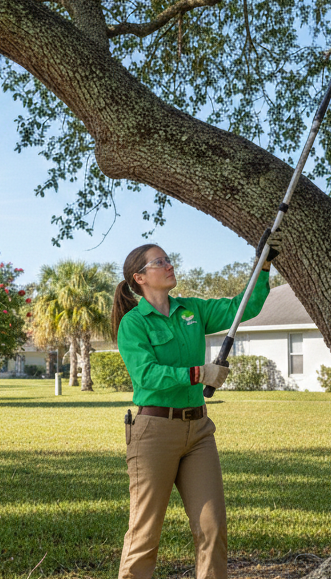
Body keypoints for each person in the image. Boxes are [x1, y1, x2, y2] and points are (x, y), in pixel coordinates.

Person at [112, 233, 282, 579]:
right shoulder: (134, 323)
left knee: (212, 527)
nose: (168, 264)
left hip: (199, 431)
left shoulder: (192, 310)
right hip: (154, 432)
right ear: (139, 279)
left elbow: (242, 306)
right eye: (159, 261)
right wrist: (199, 372)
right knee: (145, 533)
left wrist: (263, 264)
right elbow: (146, 376)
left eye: (168, 258)